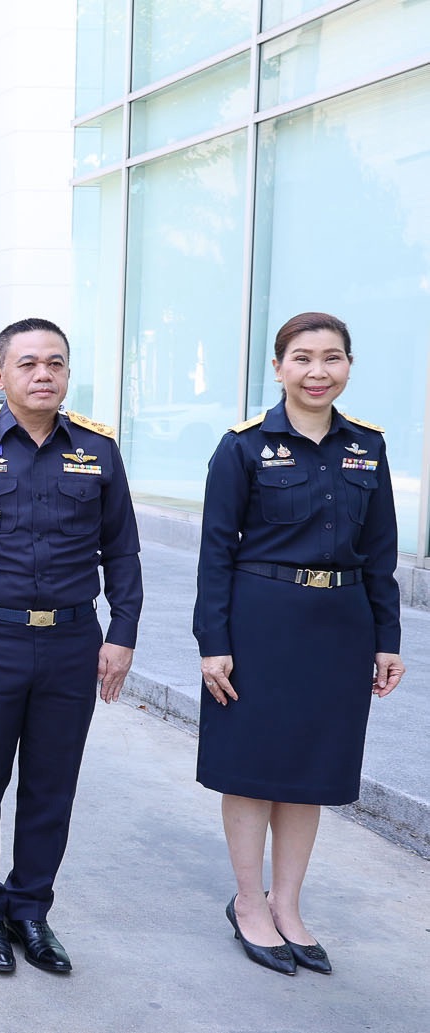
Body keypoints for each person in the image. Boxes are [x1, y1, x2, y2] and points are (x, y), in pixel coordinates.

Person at [0, 317, 141, 977]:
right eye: (28, 363)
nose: (43, 374)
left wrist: (122, 633)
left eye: (55, 363)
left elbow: (121, 549)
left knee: (51, 785)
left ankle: (30, 908)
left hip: (71, 641)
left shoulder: (97, 449)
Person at [193, 312, 404, 976]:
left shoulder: (367, 446)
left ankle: (286, 905)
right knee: (252, 766)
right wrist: (212, 640)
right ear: (279, 367)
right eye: (303, 358)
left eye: (332, 358)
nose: (318, 371)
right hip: (260, 624)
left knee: (308, 771)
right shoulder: (242, 447)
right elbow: (214, 552)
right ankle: (247, 901)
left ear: (348, 366)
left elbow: (381, 553)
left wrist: (387, 638)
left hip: (340, 627)